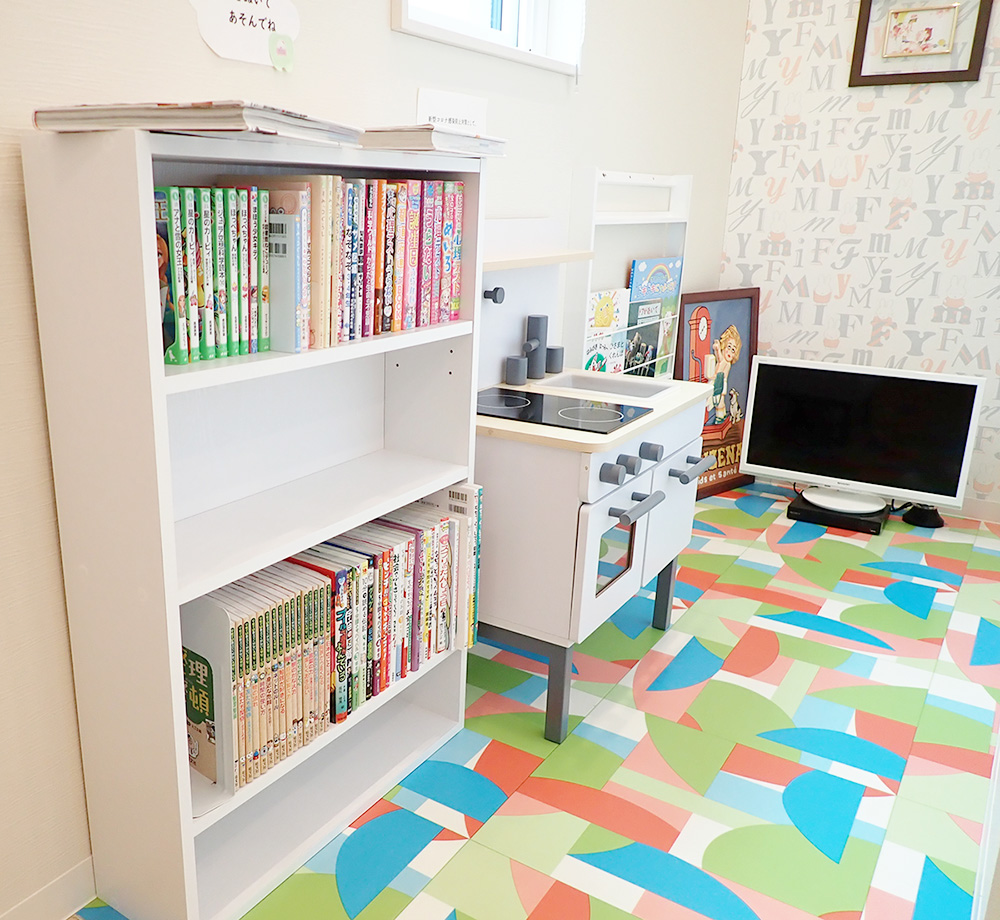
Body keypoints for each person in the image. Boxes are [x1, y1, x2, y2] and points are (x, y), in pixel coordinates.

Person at [704, 324, 742, 423]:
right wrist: (717, 348)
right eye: (729, 347)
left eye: (733, 350)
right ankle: (721, 415)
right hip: (719, 382)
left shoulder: (726, 362)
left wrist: (717, 349)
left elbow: (720, 359)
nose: (730, 352)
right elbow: (719, 358)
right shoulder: (725, 362)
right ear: (724, 346)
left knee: (719, 401)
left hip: (720, 382)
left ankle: (720, 416)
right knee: (718, 400)